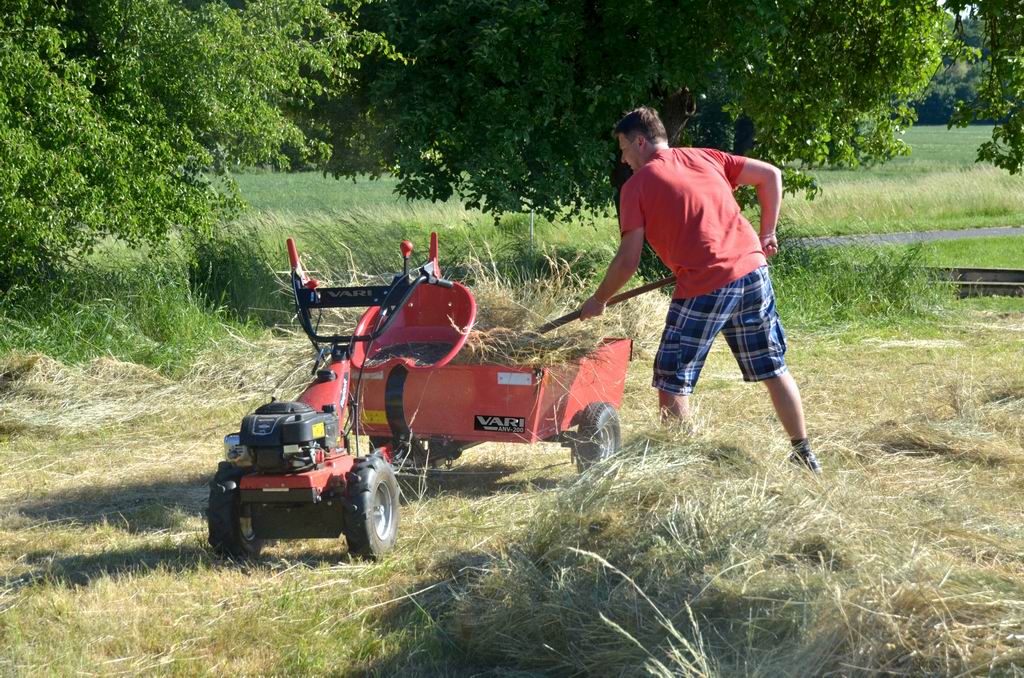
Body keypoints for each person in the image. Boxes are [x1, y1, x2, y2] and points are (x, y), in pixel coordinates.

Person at [579, 106, 821, 473]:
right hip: (753, 272)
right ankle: (804, 454)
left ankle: (682, 464)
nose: (624, 159)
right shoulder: (705, 157)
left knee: (672, 378)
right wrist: (767, 232)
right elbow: (770, 175)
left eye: (624, 149)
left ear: (640, 141)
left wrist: (599, 300)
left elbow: (628, 261)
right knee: (773, 368)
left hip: (704, 285)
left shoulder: (636, 188)